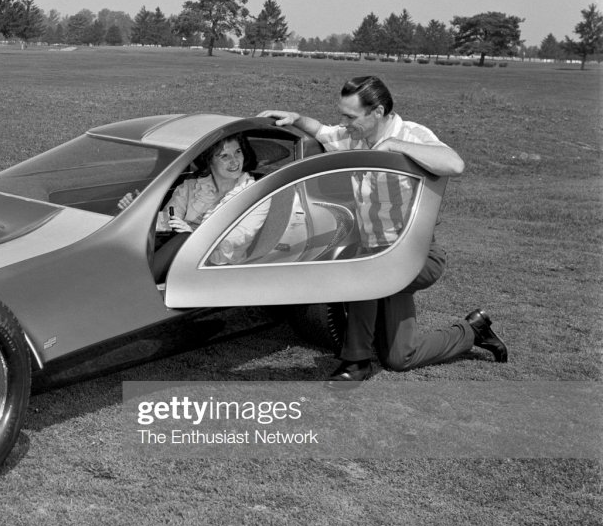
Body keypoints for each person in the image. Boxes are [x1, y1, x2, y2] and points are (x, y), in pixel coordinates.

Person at [259, 74, 508, 381]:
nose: (345, 123)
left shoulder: (412, 133)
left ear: (377, 111)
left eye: (351, 116)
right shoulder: (354, 136)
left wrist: (394, 146)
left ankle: (356, 362)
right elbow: (322, 131)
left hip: (418, 255)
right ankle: (473, 331)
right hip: (380, 255)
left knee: (367, 270)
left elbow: (454, 164)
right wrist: (296, 118)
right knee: (400, 357)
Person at [121, 135, 270, 282]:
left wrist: (193, 235)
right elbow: (168, 221)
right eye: (224, 156)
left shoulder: (257, 195)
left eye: (238, 152)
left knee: (183, 239)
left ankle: (135, 283)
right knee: (142, 240)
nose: (234, 161)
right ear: (208, 160)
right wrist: (138, 211)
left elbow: (237, 237)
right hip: (175, 258)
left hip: (215, 266)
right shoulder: (190, 187)